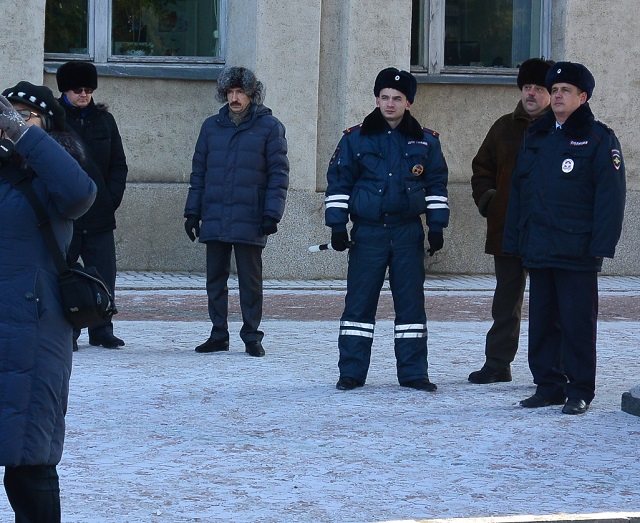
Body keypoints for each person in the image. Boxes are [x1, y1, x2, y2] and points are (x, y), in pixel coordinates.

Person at [503, 62, 626, 415]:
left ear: (582, 97)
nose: (557, 96)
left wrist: (601, 246)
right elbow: (519, 191)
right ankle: (549, 385)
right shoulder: (537, 135)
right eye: (554, 90)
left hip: (577, 248)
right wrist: (515, 239)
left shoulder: (600, 138)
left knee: (576, 323)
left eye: (565, 91)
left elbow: (610, 198)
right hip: (540, 246)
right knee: (542, 322)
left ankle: (580, 389)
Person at [0, 82, 96, 522]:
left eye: (27, 114)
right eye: (9, 113)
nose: (14, 121)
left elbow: (82, 195)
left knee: (30, 462)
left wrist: (22, 134)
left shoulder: (57, 173)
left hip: (33, 334)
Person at [325, 67, 449, 391]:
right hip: (369, 233)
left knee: (411, 305)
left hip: (408, 232)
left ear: (408, 103)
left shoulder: (426, 141)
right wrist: (337, 226)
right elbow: (339, 183)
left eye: (397, 98)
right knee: (359, 305)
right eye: (384, 97)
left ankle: (413, 373)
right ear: (376, 99)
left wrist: (436, 227)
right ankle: (351, 372)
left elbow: (436, 185)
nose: (390, 104)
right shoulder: (355, 138)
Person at [184, 66, 289, 357]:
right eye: (230, 92)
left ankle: (251, 335)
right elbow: (199, 172)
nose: (234, 98)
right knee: (215, 279)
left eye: (240, 92)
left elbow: (278, 174)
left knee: (250, 282)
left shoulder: (270, 127)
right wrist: (192, 212)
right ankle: (218, 333)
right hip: (215, 213)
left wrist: (272, 213)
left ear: (251, 94)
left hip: (250, 215)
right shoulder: (211, 126)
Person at [468, 58, 552, 384]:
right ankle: (497, 364)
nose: (531, 93)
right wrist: (489, 200)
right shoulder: (504, 126)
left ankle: (549, 370)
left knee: (549, 305)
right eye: (527, 87)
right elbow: (481, 168)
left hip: (547, 232)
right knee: (506, 303)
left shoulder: (560, 129)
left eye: (539, 88)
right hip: (508, 230)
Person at [56, 61, 129, 350]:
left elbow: (118, 165)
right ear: (65, 90)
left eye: (88, 90)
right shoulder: (55, 121)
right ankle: (69, 330)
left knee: (104, 274)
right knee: (65, 274)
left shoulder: (104, 121)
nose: (84, 95)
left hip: (99, 214)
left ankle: (102, 329)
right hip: (68, 214)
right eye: (78, 90)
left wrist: (111, 200)